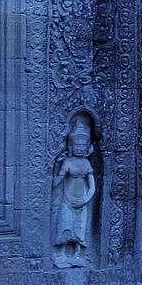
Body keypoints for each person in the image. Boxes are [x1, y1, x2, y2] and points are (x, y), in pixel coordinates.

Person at [49, 115, 97, 268]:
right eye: (77, 145)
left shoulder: (86, 163)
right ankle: (62, 253)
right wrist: (56, 166)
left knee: (79, 227)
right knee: (65, 225)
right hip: (67, 199)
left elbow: (92, 186)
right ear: (71, 146)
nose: (80, 148)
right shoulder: (67, 162)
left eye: (84, 145)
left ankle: (77, 254)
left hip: (82, 201)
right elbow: (56, 182)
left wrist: (86, 199)